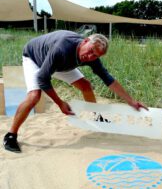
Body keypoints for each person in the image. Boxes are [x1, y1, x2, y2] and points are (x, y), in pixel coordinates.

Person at [3, 30, 148, 153]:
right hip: (35, 58)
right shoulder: (62, 48)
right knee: (34, 96)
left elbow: (108, 79)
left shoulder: (92, 57)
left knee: (86, 85)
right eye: (90, 51)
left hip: (60, 64)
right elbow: (43, 78)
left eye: (95, 56)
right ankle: (11, 135)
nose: (90, 57)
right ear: (85, 41)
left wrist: (131, 101)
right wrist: (60, 103)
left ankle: (97, 116)